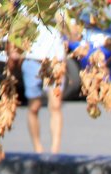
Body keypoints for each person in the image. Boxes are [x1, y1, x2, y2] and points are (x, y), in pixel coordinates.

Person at [18, 16, 68, 154]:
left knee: (56, 105)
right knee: (34, 106)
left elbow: (72, 33)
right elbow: (16, 32)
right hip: (33, 59)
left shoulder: (61, 6)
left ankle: (55, 150)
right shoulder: (26, 8)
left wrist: (63, 23)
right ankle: (37, 149)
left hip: (55, 61)